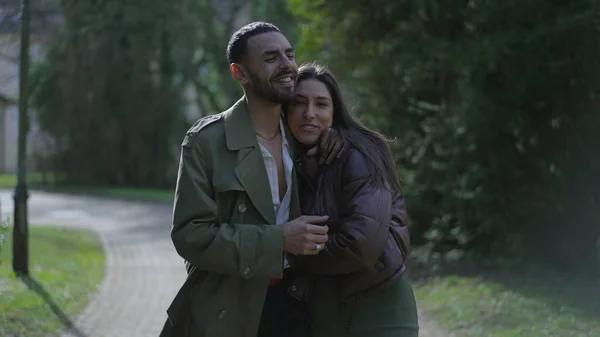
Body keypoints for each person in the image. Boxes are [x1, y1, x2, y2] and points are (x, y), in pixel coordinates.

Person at [159, 23, 344, 337]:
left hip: (298, 305)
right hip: (228, 308)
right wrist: (279, 239)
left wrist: (335, 138)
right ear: (239, 73)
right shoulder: (207, 141)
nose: (288, 65)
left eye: (290, 54)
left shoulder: (303, 135)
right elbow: (190, 236)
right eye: (271, 58)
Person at [283, 63, 419, 337]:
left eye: (321, 104)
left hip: (378, 309)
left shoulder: (358, 154)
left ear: (335, 112)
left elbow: (361, 245)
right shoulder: (290, 159)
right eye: (299, 103)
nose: (309, 113)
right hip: (326, 313)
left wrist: (290, 250)